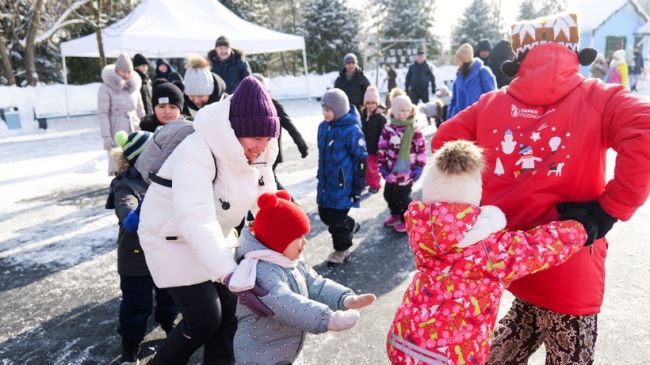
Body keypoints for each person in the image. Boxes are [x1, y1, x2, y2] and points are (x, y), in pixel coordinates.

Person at [430, 13, 650, 364]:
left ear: (517, 59)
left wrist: (472, 209)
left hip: (514, 262)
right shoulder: (598, 98)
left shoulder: (491, 105)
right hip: (571, 268)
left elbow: (444, 145)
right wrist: (610, 208)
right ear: (577, 52)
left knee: (502, 349)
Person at [386, 140, 587, 365]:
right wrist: (579, 227)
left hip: (404, 341)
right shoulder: (489, 250)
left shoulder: (424, 231)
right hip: (450, 356)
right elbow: (536, 249)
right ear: (475, 192)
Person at [138, 76, 281, 365]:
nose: (262, 146)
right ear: (234, 131)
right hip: (170, 236)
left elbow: (267, 201)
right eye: (256, 138)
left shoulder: (262, 148)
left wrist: (286, 235)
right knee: (205, 318)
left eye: (268, 139)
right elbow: (195, 217)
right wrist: (229, 274)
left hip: (215, 233)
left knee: (230, 313)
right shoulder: (198, 149)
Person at [231, 190, 376, 364]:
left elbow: (315, 284)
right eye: (298, 237)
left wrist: (345, 298)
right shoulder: (261, 271)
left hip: (286, 350)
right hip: (260, 355)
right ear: (278, 239)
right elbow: (285, 302)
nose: (305, 242)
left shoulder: (291, 262)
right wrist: (328, 319)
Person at [106, 130, 178, 365]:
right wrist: (152, 200)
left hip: (165, 256)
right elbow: (129, 220)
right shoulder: (125, 186)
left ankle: (171, 331)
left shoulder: (168, 179)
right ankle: (130, 347)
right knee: (136, 307)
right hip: (135, 260)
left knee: (171, 300)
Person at [317, 88, 368, 266]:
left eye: (328, 110)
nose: (324, 113)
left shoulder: (351, 130)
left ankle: (341, 250)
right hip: (325, 182)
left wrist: (357, 187)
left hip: (342, 185)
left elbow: (361, 160)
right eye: (323, 109)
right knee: (325, 214)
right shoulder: (323, 128)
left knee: (337, 220)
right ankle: (350, 224)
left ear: (338, 110)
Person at [251, 73, 309, 192]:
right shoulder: (247, 107)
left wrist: (301, 144)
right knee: (263, 183)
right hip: (254, 153)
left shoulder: (273, 105)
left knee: (269, 182)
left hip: (270, 153)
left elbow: (289, 125)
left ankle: (290, 207)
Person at [377, 95, 426, 233]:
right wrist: (382, 165)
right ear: (394, 111)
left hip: (407, 172)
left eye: (407, 110)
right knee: (388, 194)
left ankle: (408, 219)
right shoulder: (388, 128)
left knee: (401, 197)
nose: (405, 113)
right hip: (392, 170)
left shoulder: (414, 129)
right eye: (401, 110)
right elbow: (382, 147)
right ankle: (396, 215)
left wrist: (419, 167)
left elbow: (421, 149)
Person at [97, 54, 145, 176]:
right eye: (123, 71)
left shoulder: (134, 87)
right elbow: (103, 114)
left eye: (129, 71)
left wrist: (145, 126)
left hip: (135, 127)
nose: (126, 75)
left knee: (137, 161)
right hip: (116, 130)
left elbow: (140, 109)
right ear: (116, 70)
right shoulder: (105, 88)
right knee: (120, 164)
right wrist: (106, 136)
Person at [447, 43, 496, 119]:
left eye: (459, 60)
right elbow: (454, 100)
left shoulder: (483, 72)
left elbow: (492, 97)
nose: (457, 63)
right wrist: (450, 119)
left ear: (465, 61)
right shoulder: (459, 77)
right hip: (461, 121)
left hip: (479, 119)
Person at [182, 54, 227, 119]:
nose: (196, 101)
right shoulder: (182, 109)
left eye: (201, 96)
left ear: (211, 91)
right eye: (191, 96)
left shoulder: (227, 105)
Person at [360, 85, 387, 194]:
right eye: (368, 103)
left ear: (377, 103)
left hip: (374, 148)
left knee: (373, 168)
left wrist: (381, 147)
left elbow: (384, 134)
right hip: (363, 148)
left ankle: (375, 184)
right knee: (364, 167)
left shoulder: (380, 118)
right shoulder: (362, 115)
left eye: (373, 103)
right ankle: (367, 181)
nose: (370, 106)